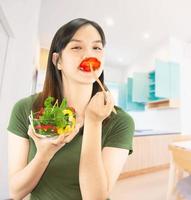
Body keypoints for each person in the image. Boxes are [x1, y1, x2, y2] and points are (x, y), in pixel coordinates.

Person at [7, 18, 134, 200]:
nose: (89, 55)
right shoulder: (25, 109)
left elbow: (95, 197)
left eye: (97, 48)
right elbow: (16, 192)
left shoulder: (121, 121)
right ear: (57, 60)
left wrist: (93, 122)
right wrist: (43, 155)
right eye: (76, 47)